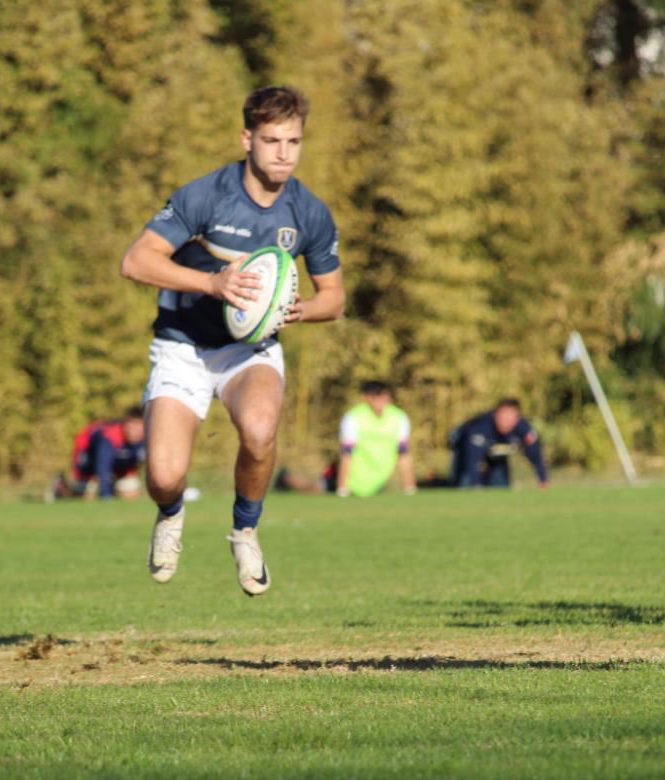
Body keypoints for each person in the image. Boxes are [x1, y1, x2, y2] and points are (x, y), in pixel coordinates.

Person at [120, 85, 344, 596]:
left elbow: (334, 298)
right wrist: (212, 283)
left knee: (260, 430)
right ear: (247, 139)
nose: (284, 153)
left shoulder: (309, 212)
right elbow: (136, 261)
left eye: (293, 141)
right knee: (164, 476)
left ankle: (245, 531)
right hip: (182, 345)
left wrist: (300, 309)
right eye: (272, 140)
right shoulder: (206, 196)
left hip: (249, 351)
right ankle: (170, 514)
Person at [335, 381, 415, 497]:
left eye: (384, 395)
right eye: (375, 395)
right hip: (354, 484)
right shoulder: (353, 417)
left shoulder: (399, 417)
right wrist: (342, 488)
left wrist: (410, 488)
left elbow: (403, 454)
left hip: (381, 482)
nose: (380, 399)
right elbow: (347, 454)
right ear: (366, 397)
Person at [449, 399, 549, 489]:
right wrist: (475, 484)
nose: (506, 422)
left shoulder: (524, 428)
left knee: (501, 486)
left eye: (511, 418)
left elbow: (535, 454)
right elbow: (472, 459)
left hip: (496, 454)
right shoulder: (480, 427)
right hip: (464, 446)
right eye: (503, 417)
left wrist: (543, 479)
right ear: (496, 414)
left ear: (517, 418)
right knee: (465, 483)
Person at [56, 407, 147, 500]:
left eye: (138, 427)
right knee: (86, 494)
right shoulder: (110, 436)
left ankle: (112, 488)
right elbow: (103, 467)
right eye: (131, 427)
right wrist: (106, 496)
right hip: (91, 462)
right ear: (125, 425)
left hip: (118, 468)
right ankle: (61, 488)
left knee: (131, 491)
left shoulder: (146, 437)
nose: (134, 432)